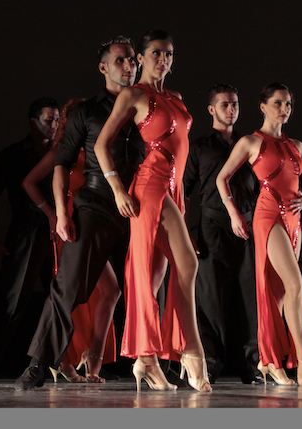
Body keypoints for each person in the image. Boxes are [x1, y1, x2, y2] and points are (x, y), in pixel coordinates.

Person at [14, 35, 143, 391]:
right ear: (103, 67)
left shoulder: (147, 108)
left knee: (143, 286)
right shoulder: (87, 112)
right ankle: (39, 365)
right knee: (68, 287)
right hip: (96, 207)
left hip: (140, 209)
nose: (128, 65)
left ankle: (158, 363)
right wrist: (60, 212)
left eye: (132, 59)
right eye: (120, 60)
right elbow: (62, 163)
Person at [95, 29, 211, 392]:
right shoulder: (133, 95)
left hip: (173, 191)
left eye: (170, 54)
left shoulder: (174, 96)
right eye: (157, 53)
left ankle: (146, 360)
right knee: (187, 264)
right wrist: (116, 189)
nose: (164, 59)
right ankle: (192, 352)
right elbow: (101, 145)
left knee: (156, 277)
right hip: (150, 187)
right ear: (140, 59)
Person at [215, 82, 302, 386]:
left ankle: (269, 361)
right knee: (295, 284)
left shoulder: (297, 146)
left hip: (294, 219)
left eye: (288, 104)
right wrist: (234, 214)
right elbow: (223, 179)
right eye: (277, 103)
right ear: (262, 106)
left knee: (283, 293)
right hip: (268, 215)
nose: (284, 109)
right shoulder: (250, 142)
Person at [20, 98, 118, 384]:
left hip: (91, 220)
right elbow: (29, 182)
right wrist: (53, 214)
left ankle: (91, 363)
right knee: (72, 292)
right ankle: (65, 360)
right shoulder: (62, 151)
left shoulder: (95, 150)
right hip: (71, 223)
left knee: (106, 291)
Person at [183, 84, 262, 385]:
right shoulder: (200, 146)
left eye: (236, 104)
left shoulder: (249, 143)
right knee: (211, 299)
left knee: (249, 298)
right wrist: (189, 232)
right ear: (211, 109)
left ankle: (250, 367)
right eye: (225, 104)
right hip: (212, 227)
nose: (231, 109)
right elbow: (183, 192)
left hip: (248, 227)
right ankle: (211, 366)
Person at [0, 97, 59, 378]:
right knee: (12, 302)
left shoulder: (62, 152)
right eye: (49, 120)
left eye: (57, 120)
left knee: (62, 299)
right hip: (26, 230)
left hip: (57, 232)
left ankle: (62, 366)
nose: (54, 125)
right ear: (33, 122)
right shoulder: (13, 153)